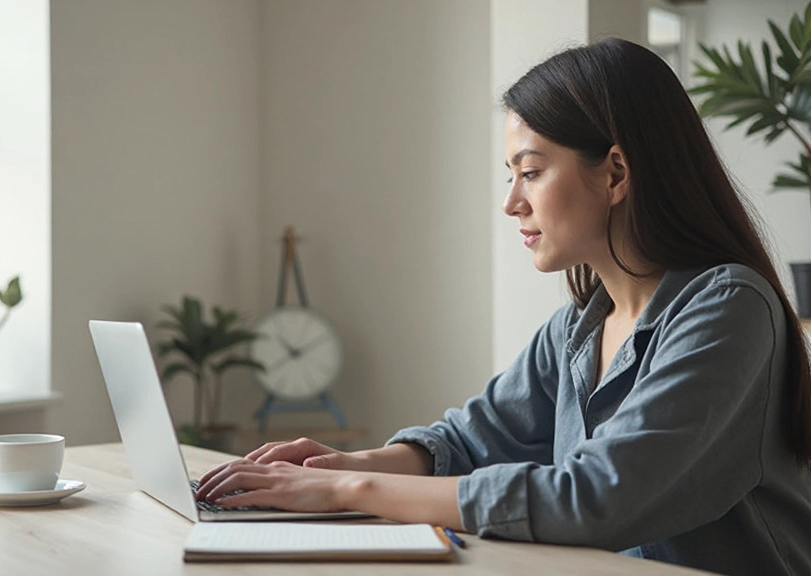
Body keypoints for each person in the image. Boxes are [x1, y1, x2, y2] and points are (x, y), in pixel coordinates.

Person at [193, 38, 811, 575]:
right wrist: (339, 463)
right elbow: (468, 441)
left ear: (616, 173)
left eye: (531, 172)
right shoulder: (576, 330)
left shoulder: (728, 309)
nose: (511, 202)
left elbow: (596, 498)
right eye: (510, 175)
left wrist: (347, 489)